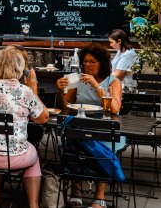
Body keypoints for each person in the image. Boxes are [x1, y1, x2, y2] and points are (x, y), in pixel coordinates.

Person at [0, 46, 49, 208]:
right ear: (19, 68)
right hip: (11, 158)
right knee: (33, 155)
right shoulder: (24, 91)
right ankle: (33, 205)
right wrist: (33, 89)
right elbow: (43, 119)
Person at [56, 44, 124, 208]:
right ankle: (76, 190)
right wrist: (60, 90)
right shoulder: (76, 78)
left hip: (105, 130)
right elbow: (67, 104)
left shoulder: (113, 82)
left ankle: (99, 195)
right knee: (70, 141)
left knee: (103, 146)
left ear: (102, 63)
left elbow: (114, 108)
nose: (88, 65)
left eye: (92, 62)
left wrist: (96, 85)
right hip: (81, 127)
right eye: (85, 61)